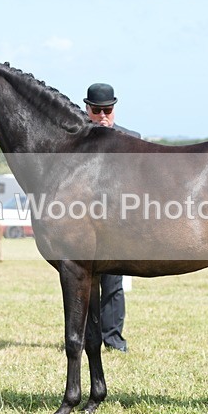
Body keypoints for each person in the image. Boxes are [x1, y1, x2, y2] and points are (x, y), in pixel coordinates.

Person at [83, 83, 140, 353]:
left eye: (108, 110)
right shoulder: (74, 140)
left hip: (117, 223)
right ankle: (83, 338)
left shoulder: (132, 138)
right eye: (97, 110)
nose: (103, 115)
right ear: (87, 109)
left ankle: (114, 339)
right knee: (82, 284)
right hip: (81, 223)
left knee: (113, 285)